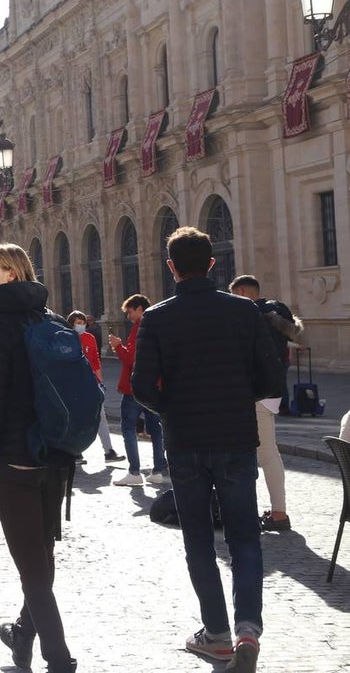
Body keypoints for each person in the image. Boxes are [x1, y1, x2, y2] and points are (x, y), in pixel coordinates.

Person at [133, 227, 280, 673]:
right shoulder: (244, 311)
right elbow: (271, 380)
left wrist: (173, 409)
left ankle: (216, 634)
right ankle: (248, 630)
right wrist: (236, 398)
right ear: (212, 264)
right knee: (244, 538)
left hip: (186, 442)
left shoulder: (157, 317)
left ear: (171, 267)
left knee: (198, 540)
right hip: (236, 438)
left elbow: (142, 386)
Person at [0, 244, 77, 673]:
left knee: (33, 570)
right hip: (54, 456)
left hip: (12, 461)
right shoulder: (52, 322)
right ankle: (21, 635)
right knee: (41, 559)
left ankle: (60, 660)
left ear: (11, 274)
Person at [229, 274, 304, 532]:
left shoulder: (249, 316)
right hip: (272, 391)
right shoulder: (275, 314)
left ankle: (278, 512)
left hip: (253, 392)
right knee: (266, 452)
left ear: (241, 292)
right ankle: (273, 510)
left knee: (264, 453)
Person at [108, 294, 167, 487]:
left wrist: (118, 347)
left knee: (128, 428)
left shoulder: (140, 327)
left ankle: (134, 471)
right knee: (155, 429)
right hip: (154, 385)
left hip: (135, 386)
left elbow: (133, 360)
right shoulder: (158, 325)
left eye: (130, 312)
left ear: (140, 309)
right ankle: (158, 469)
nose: (128, 316)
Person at [66, 311, 125, 464]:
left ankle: (109, 451)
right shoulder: (67, 339)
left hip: (92, 383)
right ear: (71, 324)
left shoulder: (89, 338)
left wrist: (100, 382)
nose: (81, 326)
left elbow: (95, 360)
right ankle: (75, 453)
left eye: (83, 323)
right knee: (77, 419)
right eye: (78, 323)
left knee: (101, 417)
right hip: (75, 385)